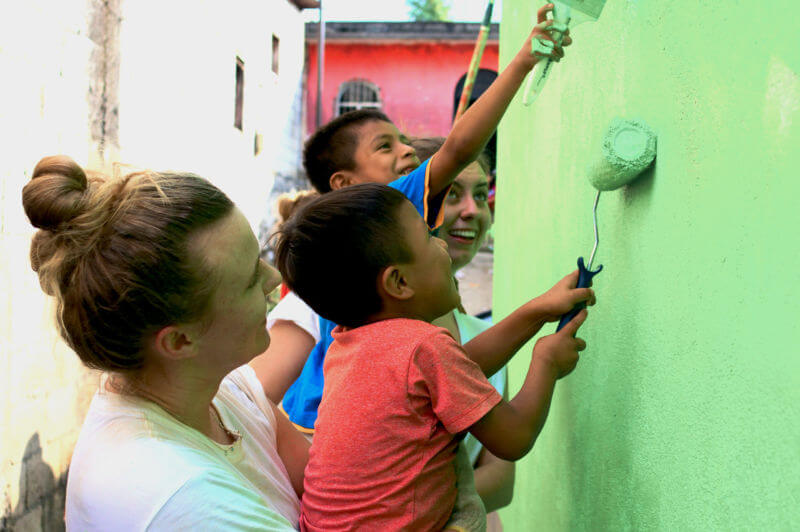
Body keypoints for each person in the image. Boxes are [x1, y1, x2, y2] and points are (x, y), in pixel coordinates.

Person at [250, 4, 573, 433]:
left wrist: (537, 311)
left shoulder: (382, 296)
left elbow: (455, 370)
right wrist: (522, 61)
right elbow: (458, 149)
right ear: (344, 184)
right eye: (386, 147)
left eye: (404, 141)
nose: (406, 151)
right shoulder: (381, 213)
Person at [273, 184, 593, 531]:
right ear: (399, 282)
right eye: (428, 237)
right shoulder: (424, 347)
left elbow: (459, 370)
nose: (441, 244)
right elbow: (513, 436)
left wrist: (538, 310)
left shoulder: (347, 345)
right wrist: (546, 362)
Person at [22, 156, 311, 530]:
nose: (273, 279)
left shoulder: (218, 386)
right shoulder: (183, 498)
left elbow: (324, 481)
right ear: (179, 340)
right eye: (249, 280)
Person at [413, 138, 512, 530]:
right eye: (452, 194)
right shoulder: (348, 323)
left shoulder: (485, 335)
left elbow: (501, 480)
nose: (473, 210)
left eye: (481, 194)